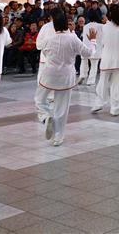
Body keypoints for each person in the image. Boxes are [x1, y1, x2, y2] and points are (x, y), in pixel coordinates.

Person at [37, 11, 98, 146]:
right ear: (66, 24)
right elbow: (88, 53)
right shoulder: (73, 38)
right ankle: (58, 137)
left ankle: (46, 117)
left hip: (49, 74)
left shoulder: (48, 40)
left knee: (39, 100)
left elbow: (45, 52)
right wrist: (93, 41)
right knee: (61, 107)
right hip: (66, 76)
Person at [91, 4, 119, 117]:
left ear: (109, 15)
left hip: (106, 59)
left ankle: (98, 103)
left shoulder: (105, 27)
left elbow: (100, 42)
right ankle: (115, 108)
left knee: (102, 83)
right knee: (118, 85)